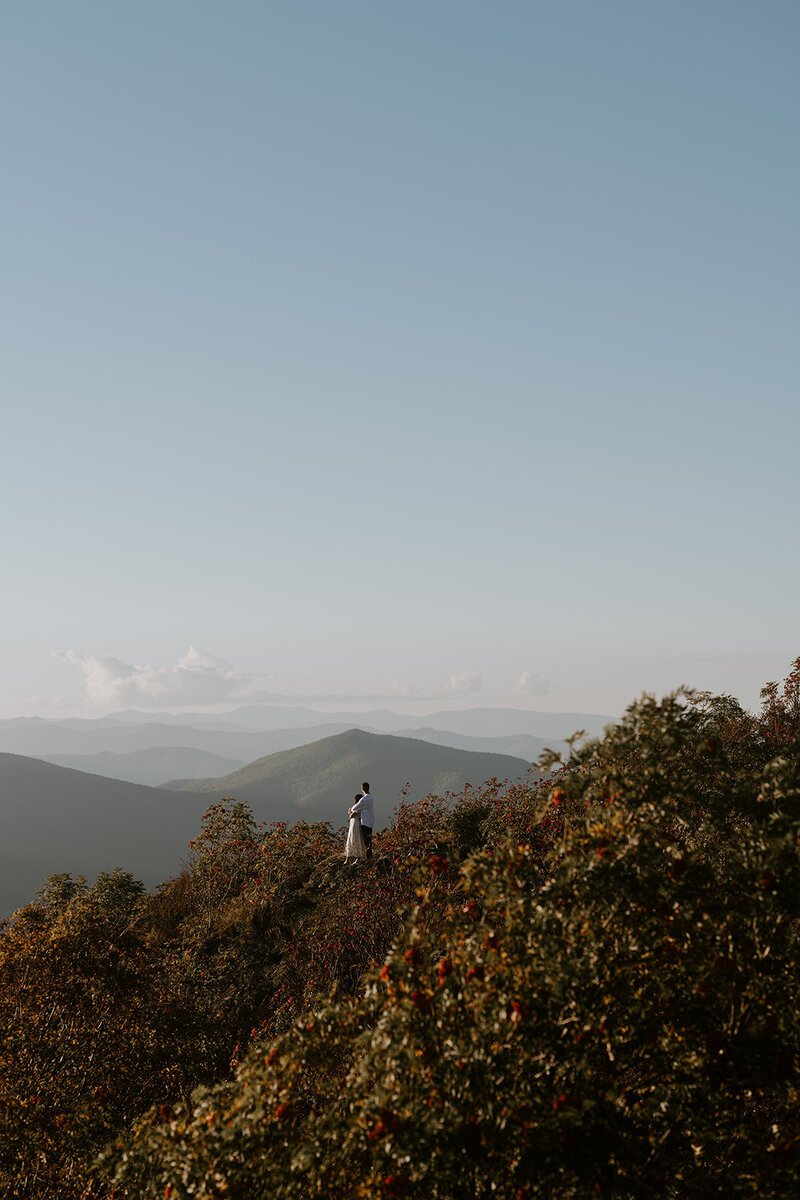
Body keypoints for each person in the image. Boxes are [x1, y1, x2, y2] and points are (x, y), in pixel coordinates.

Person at [349, 781, 374, 861]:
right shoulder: (371, 797)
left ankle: (367, 858)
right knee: (369, 841)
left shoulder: (364, 799)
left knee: (365, 841)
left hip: (365, 822)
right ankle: (369, 856)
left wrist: (350, 810)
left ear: (362, 789)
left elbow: (354, 808)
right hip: (370, 821)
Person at [344, 793, 365, 863]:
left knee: (354, 838)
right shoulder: (358, 807)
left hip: (355, 824)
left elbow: (352, 815)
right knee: (353, 838)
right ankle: (349, 858)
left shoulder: (358, 807)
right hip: (354, 824)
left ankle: (354, 858)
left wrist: (350, 812)